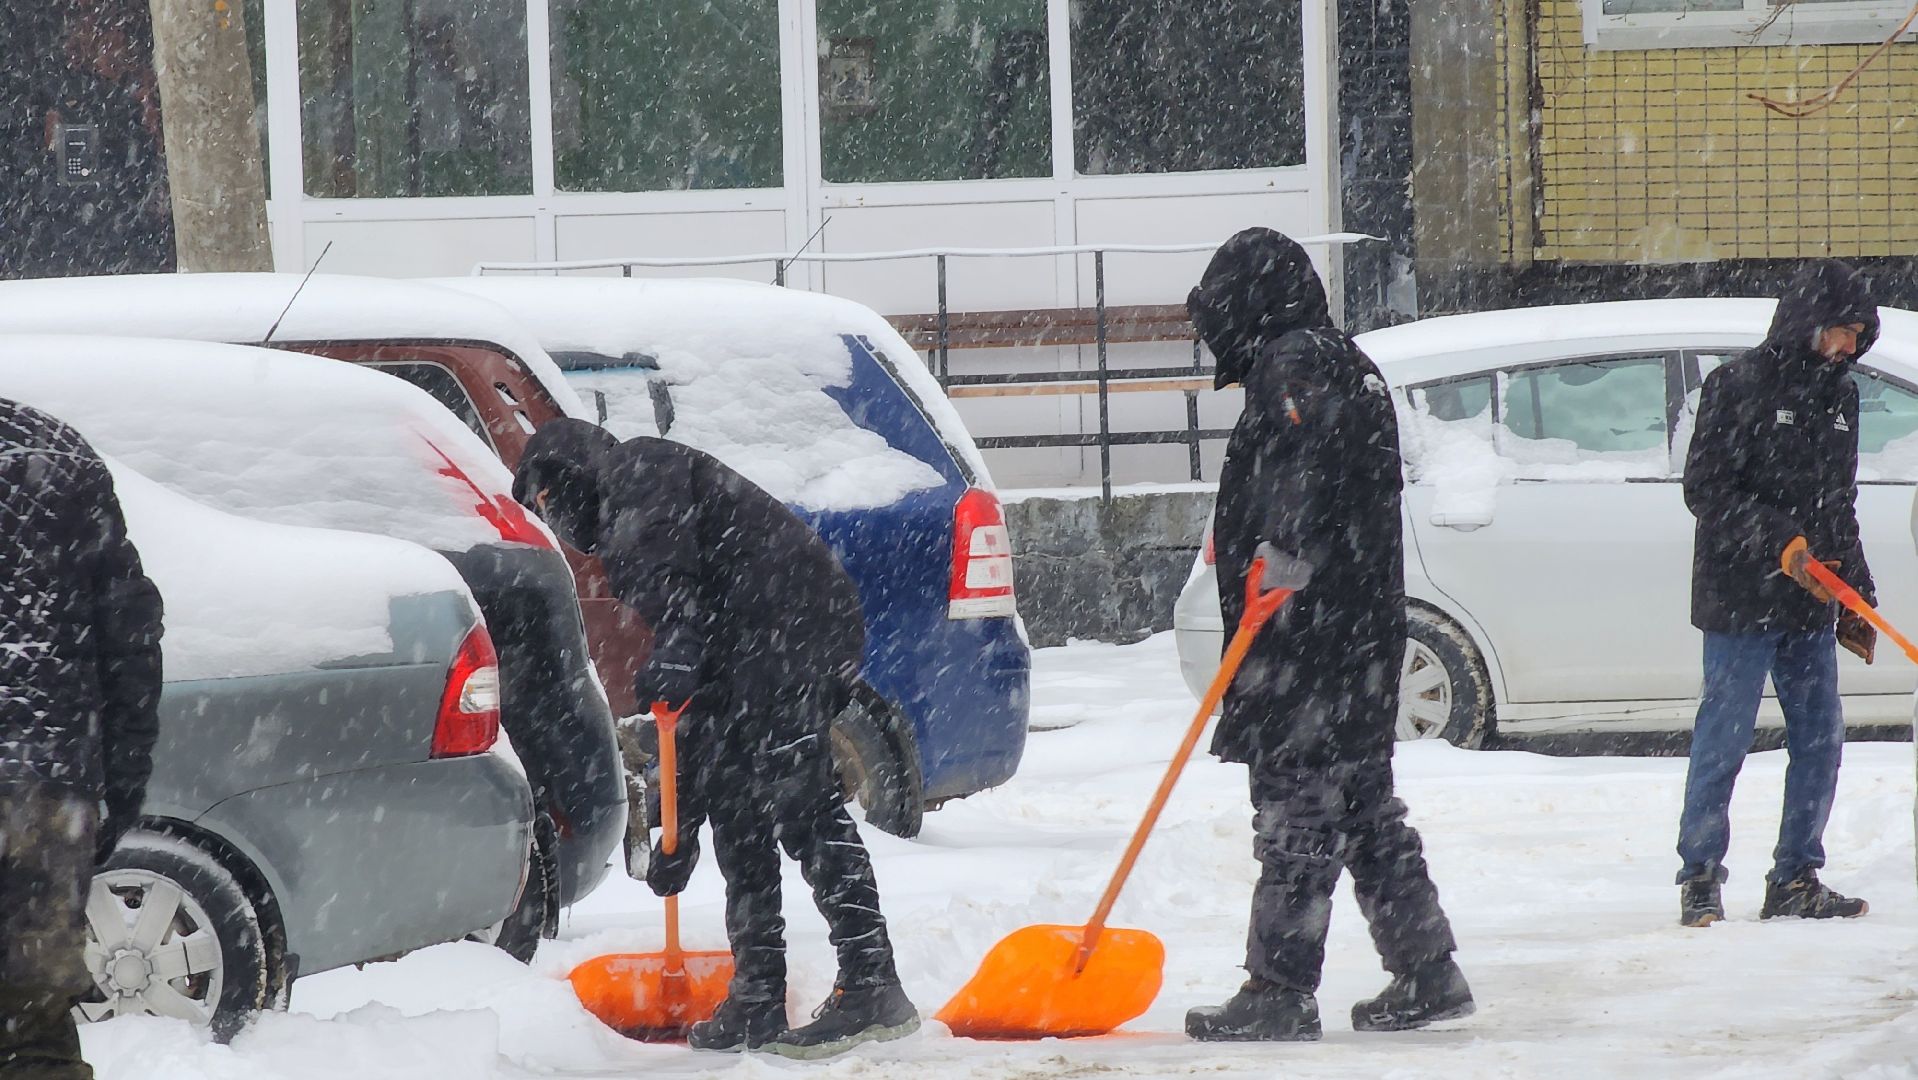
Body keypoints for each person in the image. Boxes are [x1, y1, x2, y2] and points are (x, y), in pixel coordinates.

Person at [512, 419, 915, 1059]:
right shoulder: (625, 520)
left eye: (547, 497)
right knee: (735, 805)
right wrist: (681, 825)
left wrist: (675, 644)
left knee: (802, 803)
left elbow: (671, 580)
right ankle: (757, 992)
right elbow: (694, 714)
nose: (554, 517)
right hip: (750, 644)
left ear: (572, 471)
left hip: (792, 630)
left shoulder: (635, 469)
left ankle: (873, 983)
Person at [1183, 228, 1471, 1042]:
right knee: (1362, 807)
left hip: (1305, 642)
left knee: (1298, 810)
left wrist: (1282, 552)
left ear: (1248, 303)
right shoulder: (1346, 361)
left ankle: (1278, 989)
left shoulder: (1295, 364)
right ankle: (1428, 971)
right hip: (1356, 638)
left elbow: (1305, 471)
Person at [1676, 258, 1880, 928]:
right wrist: (1780, 541)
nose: (1848, 346)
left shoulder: (1841, 397)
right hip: (1740, 598)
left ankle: (1795, 877)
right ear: (1808, 322)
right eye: (1841, 331)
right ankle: (1700, 877)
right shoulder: (1736, 385)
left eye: (1858, 335)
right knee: (1725, 738)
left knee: (1820, 739)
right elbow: (1707, 491)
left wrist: (1857, 595)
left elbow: (1839, 503)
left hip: (1809, 602)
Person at [0, 399, 165, 1078]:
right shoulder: (55, 452)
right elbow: (129, 633)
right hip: (44, 797)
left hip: (44, 787)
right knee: (31, 1029)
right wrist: (116, 788)